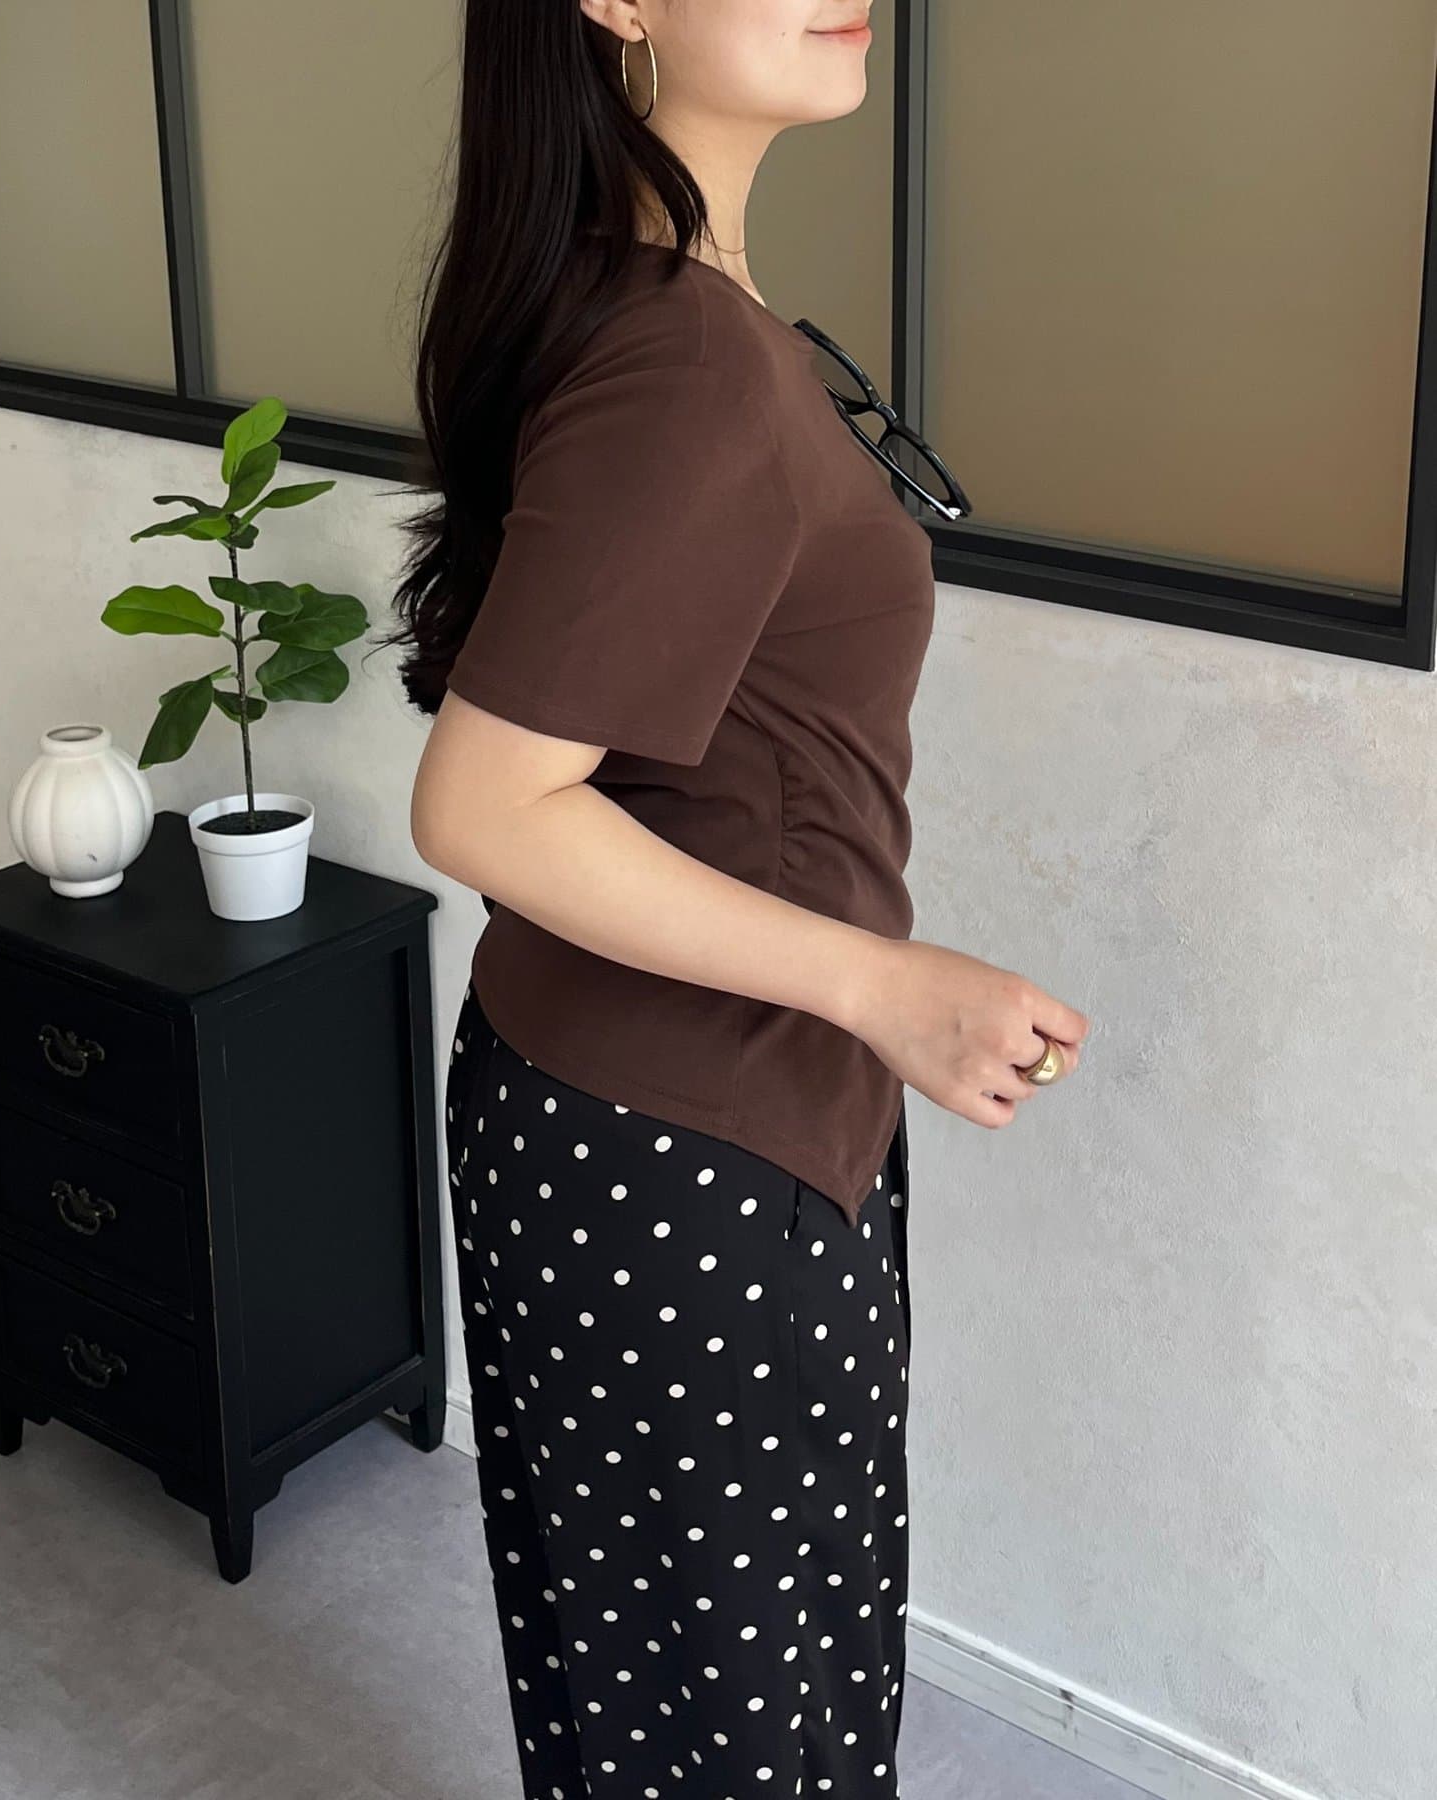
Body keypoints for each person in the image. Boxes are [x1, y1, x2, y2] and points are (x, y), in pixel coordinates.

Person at [387, 2, 1090, 1793]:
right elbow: (484, 804)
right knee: (735, 1729)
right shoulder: (686, 354)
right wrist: (885, 986)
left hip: (662, 1121)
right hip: (688, 1154)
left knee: (677, 1702)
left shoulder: (669, 311)